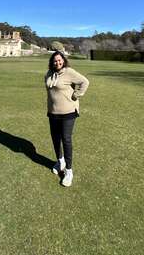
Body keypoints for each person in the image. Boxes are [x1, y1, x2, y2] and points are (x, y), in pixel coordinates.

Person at [44, 51, 89, 187]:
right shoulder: (48, 74)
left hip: (68, 112)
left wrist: (76, 94)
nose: (58, 62)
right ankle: (60, 161)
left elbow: (84, 82)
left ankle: (69, 171)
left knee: (66, 139)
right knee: (55, 138)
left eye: (60, 60)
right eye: (55, 61)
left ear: (63, 60)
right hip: (53, 112)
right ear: (52, 62)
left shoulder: (69, 72)